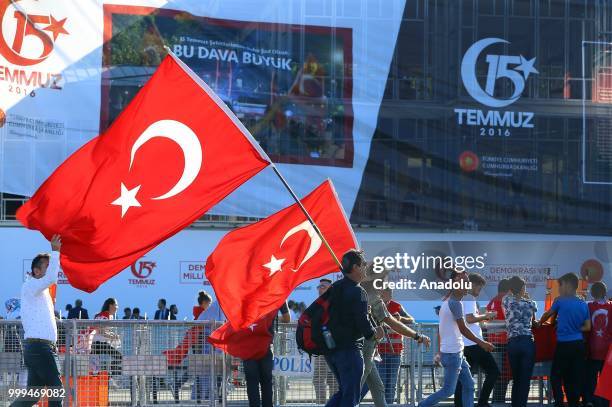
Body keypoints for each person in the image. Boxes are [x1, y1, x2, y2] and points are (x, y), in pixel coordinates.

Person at [418, 271, 494, 407]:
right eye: (465, 283)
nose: (467, 286)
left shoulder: (448, 302)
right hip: (453, 355)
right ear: (456, 284)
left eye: (468, 283)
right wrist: (481, 342)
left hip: (456, 353)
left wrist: (440, 352)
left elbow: (443, 330)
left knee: (469, 386)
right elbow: (463, 329)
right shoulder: (455, 304)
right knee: (448, 390)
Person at [360, 267, 430, 407]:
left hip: (373, 352)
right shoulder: (369, 296)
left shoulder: (375, 298)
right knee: (354, 390)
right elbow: (391, 322)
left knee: (380, 387)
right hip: (362, 351)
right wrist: (417, 336)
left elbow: (403, 321)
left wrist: (414, 333)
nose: (385, 284)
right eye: (384, 278)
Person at [324, 249, 383, 407]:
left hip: (331, 351)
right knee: (350, 398)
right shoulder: (358, 291)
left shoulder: (334, 287)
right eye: (363, 264)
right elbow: (363, 323)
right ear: (356, 267)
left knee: (344, 392)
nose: (365, 268)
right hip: (349, 351)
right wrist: (375, 334)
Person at [11, 234, 62, 407]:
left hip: (38, 347)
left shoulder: (37, 288)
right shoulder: (32, 285)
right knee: (56, 390)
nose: (51, 269)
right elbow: (52, 278)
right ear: (36, 271)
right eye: (46, 266)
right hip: (41, 348)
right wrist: (55, 251)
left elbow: (51, 279)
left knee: (32, 395)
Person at [539, 273, 591, 407]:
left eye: (560, 285)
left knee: (555, 375)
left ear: (568, 285)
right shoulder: (583, 304)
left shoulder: (560, 301)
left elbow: (546, 315)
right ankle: (573, 403)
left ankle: (559, 402)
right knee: (573, 377)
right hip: (578, 345)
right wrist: (575, 328)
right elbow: (587, 327)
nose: (559, 289)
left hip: (563, 345)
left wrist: (539, 323)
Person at [454, 273, 499, 407]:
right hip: (474, 344)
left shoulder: (460, 297)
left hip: (466, 343)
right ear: (472, 285)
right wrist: (487, 316)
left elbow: (469, 319)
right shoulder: (469, 297)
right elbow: (470, 319)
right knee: (493, 371)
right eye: (479, 289)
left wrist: (481, 317)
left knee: (463, 379)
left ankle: (462, 404)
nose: (479, 292)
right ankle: (483, 402)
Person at [242, 302, 290, 407]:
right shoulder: (278, 293)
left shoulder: (249, 291)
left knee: (252, 382)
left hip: (248, 346)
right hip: (266, 345)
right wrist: (271, 320)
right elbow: (287, 318)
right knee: (266, 382)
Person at [503, 276, 538, 407]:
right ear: (523, 288)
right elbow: (534, 319)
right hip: (527, 342)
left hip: (512, 343)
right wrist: (526, 298)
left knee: (516, 379)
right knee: (525, 380)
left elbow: (509, 302)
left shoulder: (506, 300)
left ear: (511, 289)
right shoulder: (531, 303)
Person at [377, 288, 415, 404]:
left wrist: (401, 319)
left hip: (395, 352)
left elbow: (412, 320)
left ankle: (388, 404)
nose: (386, 296)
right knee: (381, 383)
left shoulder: (397, 306)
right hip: (379, 352)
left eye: (389, 293)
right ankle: (381, 404)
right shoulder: (376, 306)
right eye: (383, 293)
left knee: (392, 384)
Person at [584, 282, 611, 407]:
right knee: (605, 380)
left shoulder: (588, 306)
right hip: (607, 351)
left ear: (592, 293)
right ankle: (604, 403)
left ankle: (590, 401)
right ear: (604, 293)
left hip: (592, 348)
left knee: (590, 379)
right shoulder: (611, 307)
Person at [312, 279, 339, 404]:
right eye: (319, 286)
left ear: (329, 289)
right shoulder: (315, 304)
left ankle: (332, 404)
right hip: (320, 347)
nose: (319, 288)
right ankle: (321, 404)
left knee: (332, 379)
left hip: (333, 347)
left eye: (323, 286)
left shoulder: (335, 304)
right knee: (319, 378)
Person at [486, 278, 511, 404]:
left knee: (497, 373)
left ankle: (496, 401)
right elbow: (510, 320)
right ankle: (499, 401)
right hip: (503, 342)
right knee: (503, 374)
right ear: (509, 289)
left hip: (493, 342)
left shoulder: (492, 301)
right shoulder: (505, 300)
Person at [91, 298, 122, 378]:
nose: (117, 307)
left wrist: (112, 335)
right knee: (119, 357)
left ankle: (106, 376)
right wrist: (112, 336)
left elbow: (102, 330)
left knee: (95, 369)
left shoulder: (98, 315)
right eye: (116, 305)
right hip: (100, 343)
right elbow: (101, 331)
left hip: (93, 343)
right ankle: (110, 374)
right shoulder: (107, 315)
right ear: (110, 305)